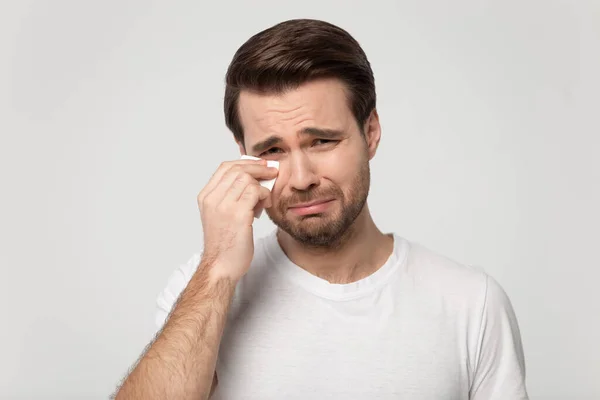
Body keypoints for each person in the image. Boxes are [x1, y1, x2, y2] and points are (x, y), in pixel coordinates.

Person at [113, 19, 528, 400]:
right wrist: (218, 270)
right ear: (244, 156)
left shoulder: (470, 302)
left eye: (322, 142)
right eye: (272, 150)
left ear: (371, 132)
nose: (301, 178)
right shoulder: (201, 290)